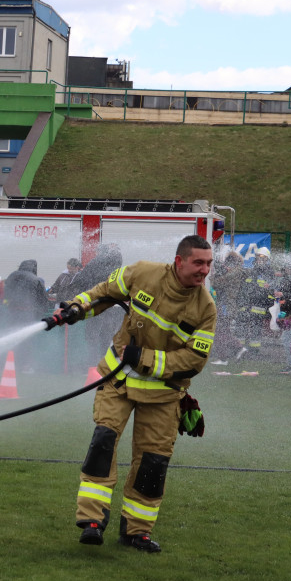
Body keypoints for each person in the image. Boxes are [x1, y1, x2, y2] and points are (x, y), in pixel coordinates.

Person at [50, 235, 216, 553]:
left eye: (208, 264)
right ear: (179, 261)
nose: (204, 270)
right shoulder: (142, 273)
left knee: (153, 462)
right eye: (198, 262)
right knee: (103, 442)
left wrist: (143, 358)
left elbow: (195, 360)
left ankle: (136, 531)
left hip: (163, 395)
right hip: (118, 382)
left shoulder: (205, 307)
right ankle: (92, 520)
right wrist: (75, 308)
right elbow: (104, 293)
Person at [4, 259, 49, 369]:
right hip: (27, 313)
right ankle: (26, 364)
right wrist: (41, 313)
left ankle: (11, 362)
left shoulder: (12, 276)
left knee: (12, 336)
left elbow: (6, 293)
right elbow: (42, 300)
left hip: (12, 312)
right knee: (27, 339)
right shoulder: (36, 280)